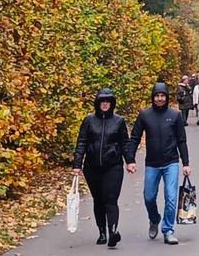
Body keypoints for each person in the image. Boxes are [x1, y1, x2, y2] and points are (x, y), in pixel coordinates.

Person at [128, 83, 191, 246]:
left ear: (167, 97)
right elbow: (135, 137)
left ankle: (168, 230)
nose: (160, 98)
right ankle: (154, 219)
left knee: (171, 197)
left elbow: (181, 140)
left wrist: (186, 163)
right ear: (153, 97)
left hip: (171, 162)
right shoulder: (145, 115)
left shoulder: (175, 115)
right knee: (149, 197)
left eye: (163, 95)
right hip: (152, 163)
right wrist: (130, 159)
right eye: (157, 95)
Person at [72, 88, 133, 248]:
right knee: (98, 200)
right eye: (102, 101)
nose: (105, 104)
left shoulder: (119, 121)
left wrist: (130, 161)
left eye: (108, 102)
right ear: (98, 103)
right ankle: (102, 232)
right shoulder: (89, 120)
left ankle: (113, 231)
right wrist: (77, 164)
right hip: (92, 167)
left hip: (113, 165)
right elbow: (82, 142)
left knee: (110, 199)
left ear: (112, 104)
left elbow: (125, 143)